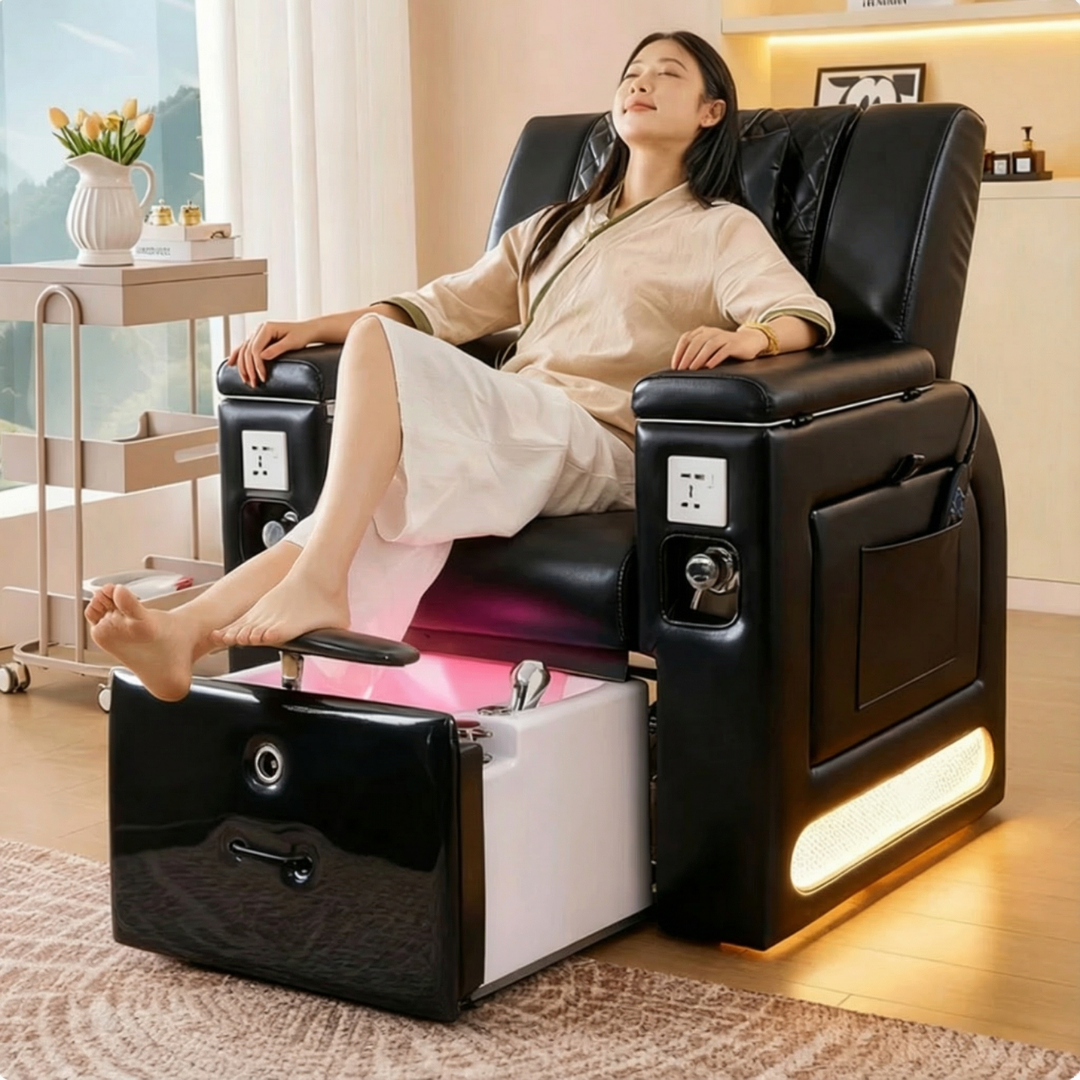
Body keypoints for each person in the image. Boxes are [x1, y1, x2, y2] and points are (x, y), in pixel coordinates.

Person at [86, 29, 834, 702]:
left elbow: (798, 315)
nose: (640, 83)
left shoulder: (719, 227)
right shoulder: (555, 226)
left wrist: (750, 341)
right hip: (520, 415)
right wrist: (309, 327)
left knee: (375, 366)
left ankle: (312, 583)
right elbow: (435, 307)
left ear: (710, 112)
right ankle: (187, 635)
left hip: (599, 440)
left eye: (667, 75)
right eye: (632, 73)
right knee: (373, 494)